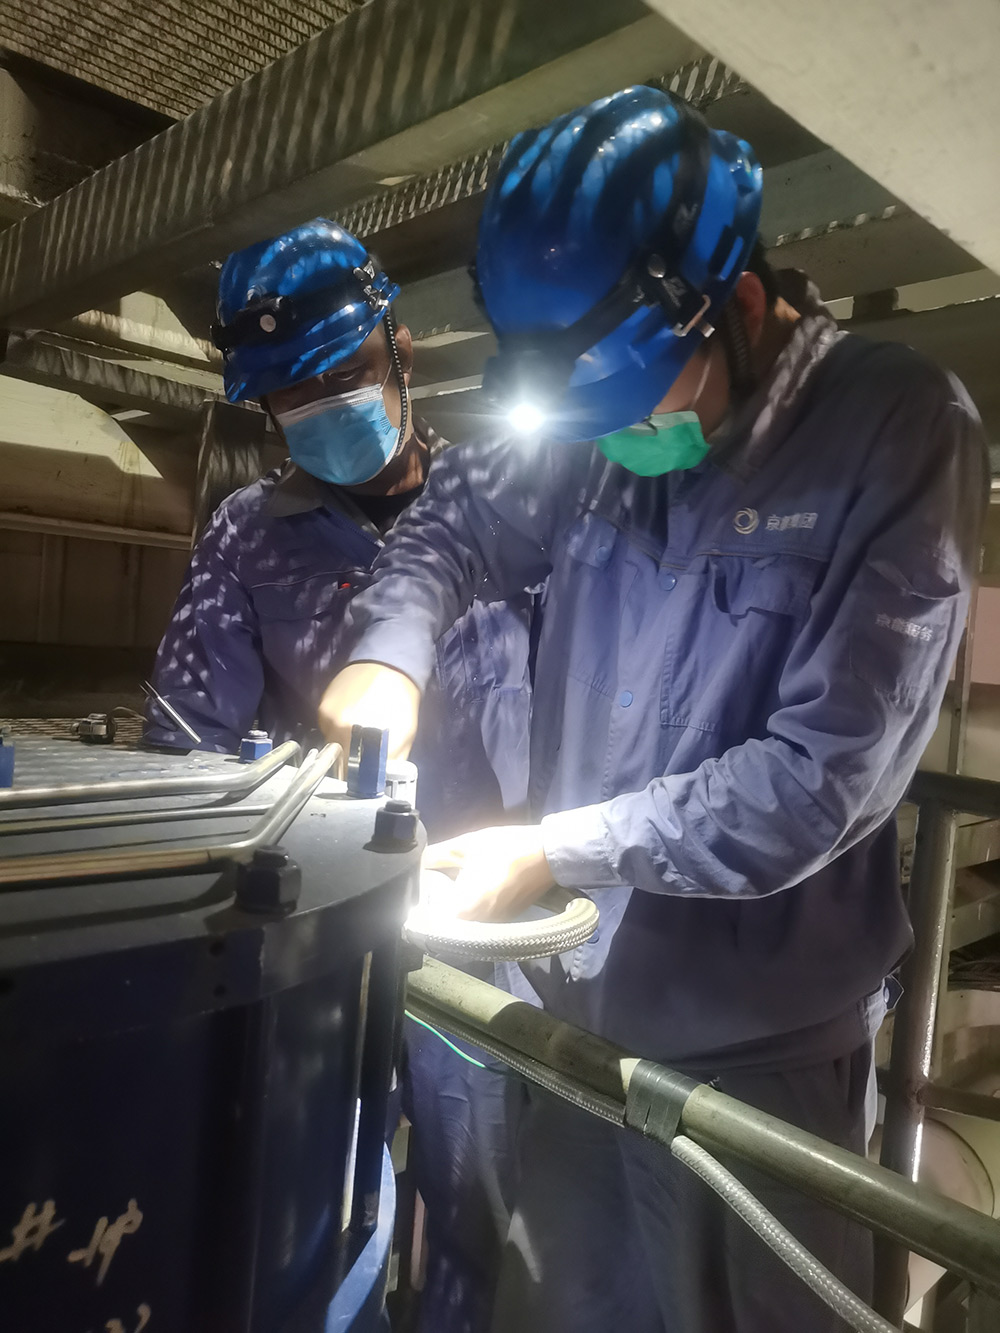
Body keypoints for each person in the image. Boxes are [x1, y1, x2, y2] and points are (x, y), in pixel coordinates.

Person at [317, 88, 987, 1332]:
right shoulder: (591, 413)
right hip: (576, 1023)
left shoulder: (897, 429)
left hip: (757, 1059)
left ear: (742, 307)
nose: (611, 441)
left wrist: (554, 846)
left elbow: (820, 782)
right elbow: (453, 522)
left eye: (630, 407)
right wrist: (390, 657)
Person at [144, 219, 530, 1332]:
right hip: (319, 939)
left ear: (399, 347)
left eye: (343, 374)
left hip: (484, 931)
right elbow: (185, 740)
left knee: (481, 1207)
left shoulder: (507, 512)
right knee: (302, 1208)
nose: (322, 408)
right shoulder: (247, 537)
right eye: (291, 396)